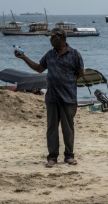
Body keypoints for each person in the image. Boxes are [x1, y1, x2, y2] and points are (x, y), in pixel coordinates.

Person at [14, 28, 85, 167]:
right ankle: (52, 157)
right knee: (51, 128)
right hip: (52, 97)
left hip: (68, 97)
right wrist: (24, 57)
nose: (50, 40)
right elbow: (39, 68)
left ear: (61, 37)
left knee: (68, 128)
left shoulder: (74, 54)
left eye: (52, 37)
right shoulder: (50, 54)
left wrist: (67, 81)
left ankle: (69, 156)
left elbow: (81, 73)